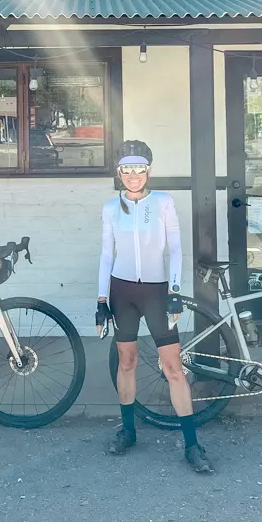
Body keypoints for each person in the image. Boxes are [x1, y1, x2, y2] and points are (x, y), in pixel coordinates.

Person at [97, 140, 212, 473]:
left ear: (148, 171)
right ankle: (128, 431)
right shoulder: (110, 207)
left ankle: (192, 444)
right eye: (127, 170)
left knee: (173, 367)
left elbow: (175, 249)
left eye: (139, 169)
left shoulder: (163, 201)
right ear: (119, 172)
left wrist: (175, 291)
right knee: (127, 362)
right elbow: (106, 254)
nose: (133, 175)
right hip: (122, 291)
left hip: (157, 292)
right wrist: (101, 299)